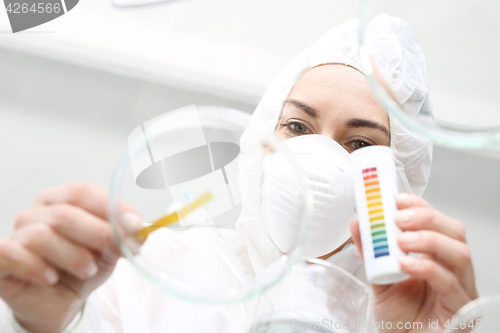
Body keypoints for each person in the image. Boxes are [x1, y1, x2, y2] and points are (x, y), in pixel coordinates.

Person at [0, 15, 477, 333]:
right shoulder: (160, 270)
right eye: (296, 126)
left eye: (359, 144)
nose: (315, 158)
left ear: (400, 178)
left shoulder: (416, 318)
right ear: (261, 143)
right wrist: (45, 323)